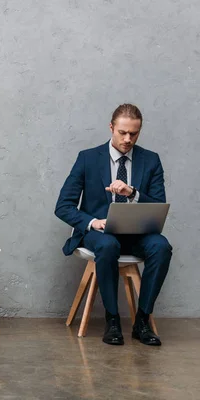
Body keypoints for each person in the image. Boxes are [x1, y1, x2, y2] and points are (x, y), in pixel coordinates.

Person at [55, 104, 172, 346]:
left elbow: (158, 205)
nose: (128, 139)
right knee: (108, 245)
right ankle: (113, 320)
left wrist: (132, 192)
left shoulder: (151, 161)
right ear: (111, 128)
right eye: (122, 133)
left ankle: (142, 321)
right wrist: (92, 222)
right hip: (99, 233)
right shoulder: (87, 158)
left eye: (134, 134)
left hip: (136, 233)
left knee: (161, 246)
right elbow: (63, 206)